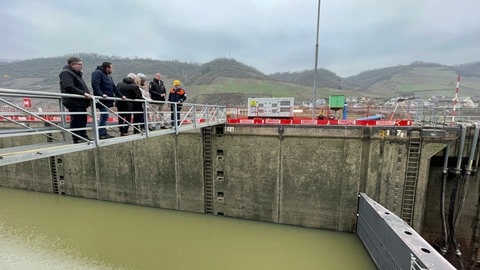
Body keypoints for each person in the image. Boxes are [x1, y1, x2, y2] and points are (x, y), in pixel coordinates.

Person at [59, 56, 92, 143]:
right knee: (77, 119)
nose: (82, 66)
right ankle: (77, 137)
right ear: (73, 64)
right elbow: (69, 86)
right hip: (73, 101)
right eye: (80, 64)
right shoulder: (66, 73)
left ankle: (83, 136)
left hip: (80, 101)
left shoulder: (76, 73)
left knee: (82, 119)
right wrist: (83, 93)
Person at [91, 62, 126, 139]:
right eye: (111, 68)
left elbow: (114, 88)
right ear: (107, 68)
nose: (112, 70)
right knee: (104, 115)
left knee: (105, 116)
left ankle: (103, 133)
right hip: (102, 99)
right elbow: (95, 84)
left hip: (107, 100)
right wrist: (101, 94)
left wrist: (121, 95)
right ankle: (101, 134)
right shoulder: (97, 73)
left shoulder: (109, 77)